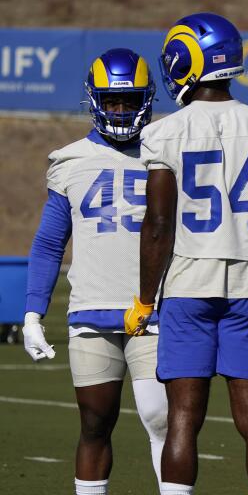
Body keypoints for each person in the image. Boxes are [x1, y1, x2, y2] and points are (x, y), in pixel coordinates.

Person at [126, 13, 248, 495]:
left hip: (186, 288)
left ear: (184, 60)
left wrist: (143, 299)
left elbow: (158, 225)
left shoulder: (164, 133)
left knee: (183, 418)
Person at [22, 48, 167, 495]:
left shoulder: (168, 150)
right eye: (111, 101)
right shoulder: (70, 160)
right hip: (92, 309)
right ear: (94, 100)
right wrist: (32, 313)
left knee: (161, 419)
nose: (120, 110)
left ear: (147, 98)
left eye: (129, 100)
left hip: (156, 311)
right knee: (94, 423)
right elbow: (49, 242)